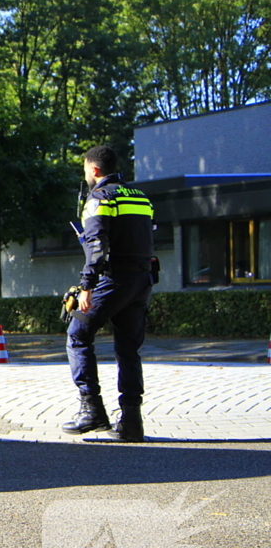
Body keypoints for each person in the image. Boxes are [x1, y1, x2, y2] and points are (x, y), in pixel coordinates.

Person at [62, 145, 155, 442]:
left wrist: (87, 285)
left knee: (77, 334)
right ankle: (131, 422)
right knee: (128, 349)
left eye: (86, 171)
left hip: (113, 279)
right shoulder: (140, 197)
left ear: (95, 170)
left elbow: (97, 245)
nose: (86, 176)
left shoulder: (99, 198)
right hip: (141, 281)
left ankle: (92, 411)